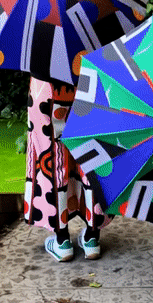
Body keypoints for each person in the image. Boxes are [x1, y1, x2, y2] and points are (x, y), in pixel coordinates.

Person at [24, 76, 112, 261]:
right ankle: (92, 238)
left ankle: (62, 240)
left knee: (50, 154)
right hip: (90, 79)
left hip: (46, 82)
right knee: (91, 153)